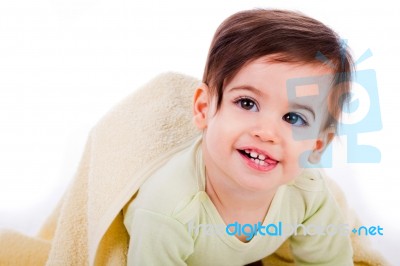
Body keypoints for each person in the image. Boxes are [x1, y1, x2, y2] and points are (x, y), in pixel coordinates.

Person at [123, 9, 354, 265]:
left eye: (293, 118)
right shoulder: (169, 209)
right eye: (247, 103)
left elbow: (330, 261)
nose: (266, 133)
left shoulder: (307, 192)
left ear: (316, 146)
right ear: (203, 108)